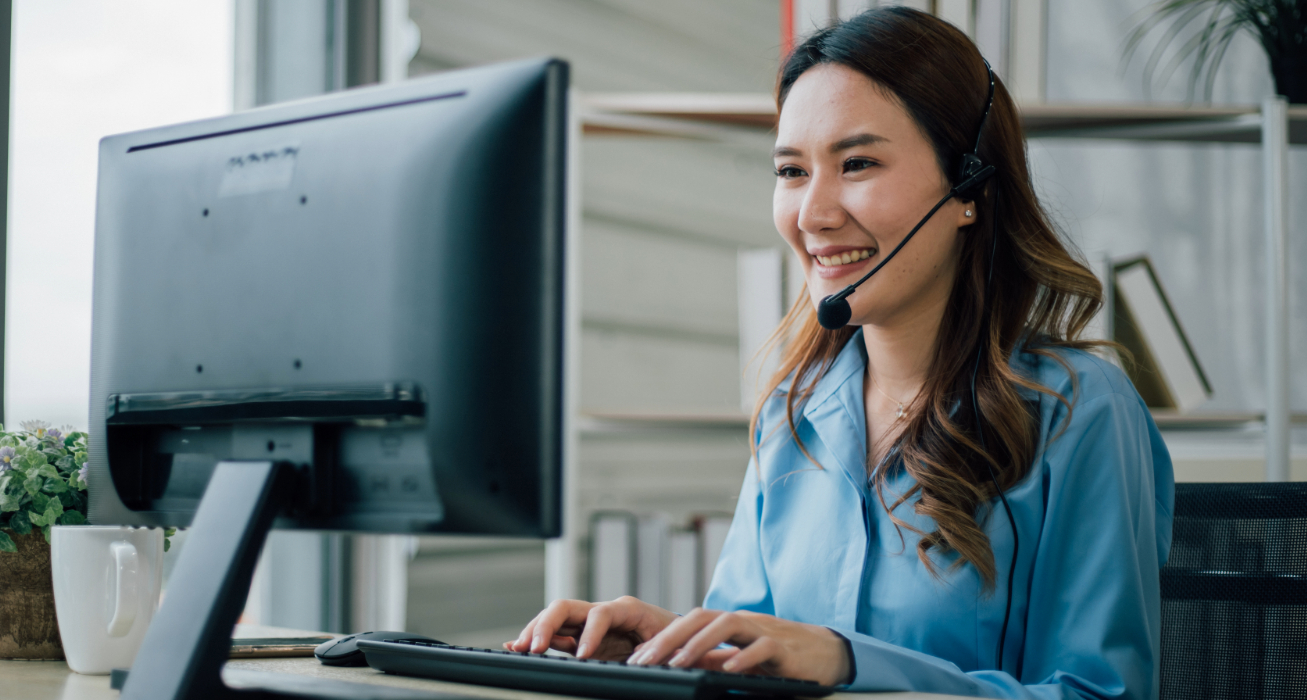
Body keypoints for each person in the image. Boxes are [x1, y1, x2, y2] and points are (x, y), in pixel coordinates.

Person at [504, 7, 1175, 699]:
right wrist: (668, 646)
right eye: (791, 171)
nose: (813, 213)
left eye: (857, 163)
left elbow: (1100, 693)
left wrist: (848, 663)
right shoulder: (793, 416)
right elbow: (763, 656)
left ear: (969, 187)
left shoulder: (1077, 410)